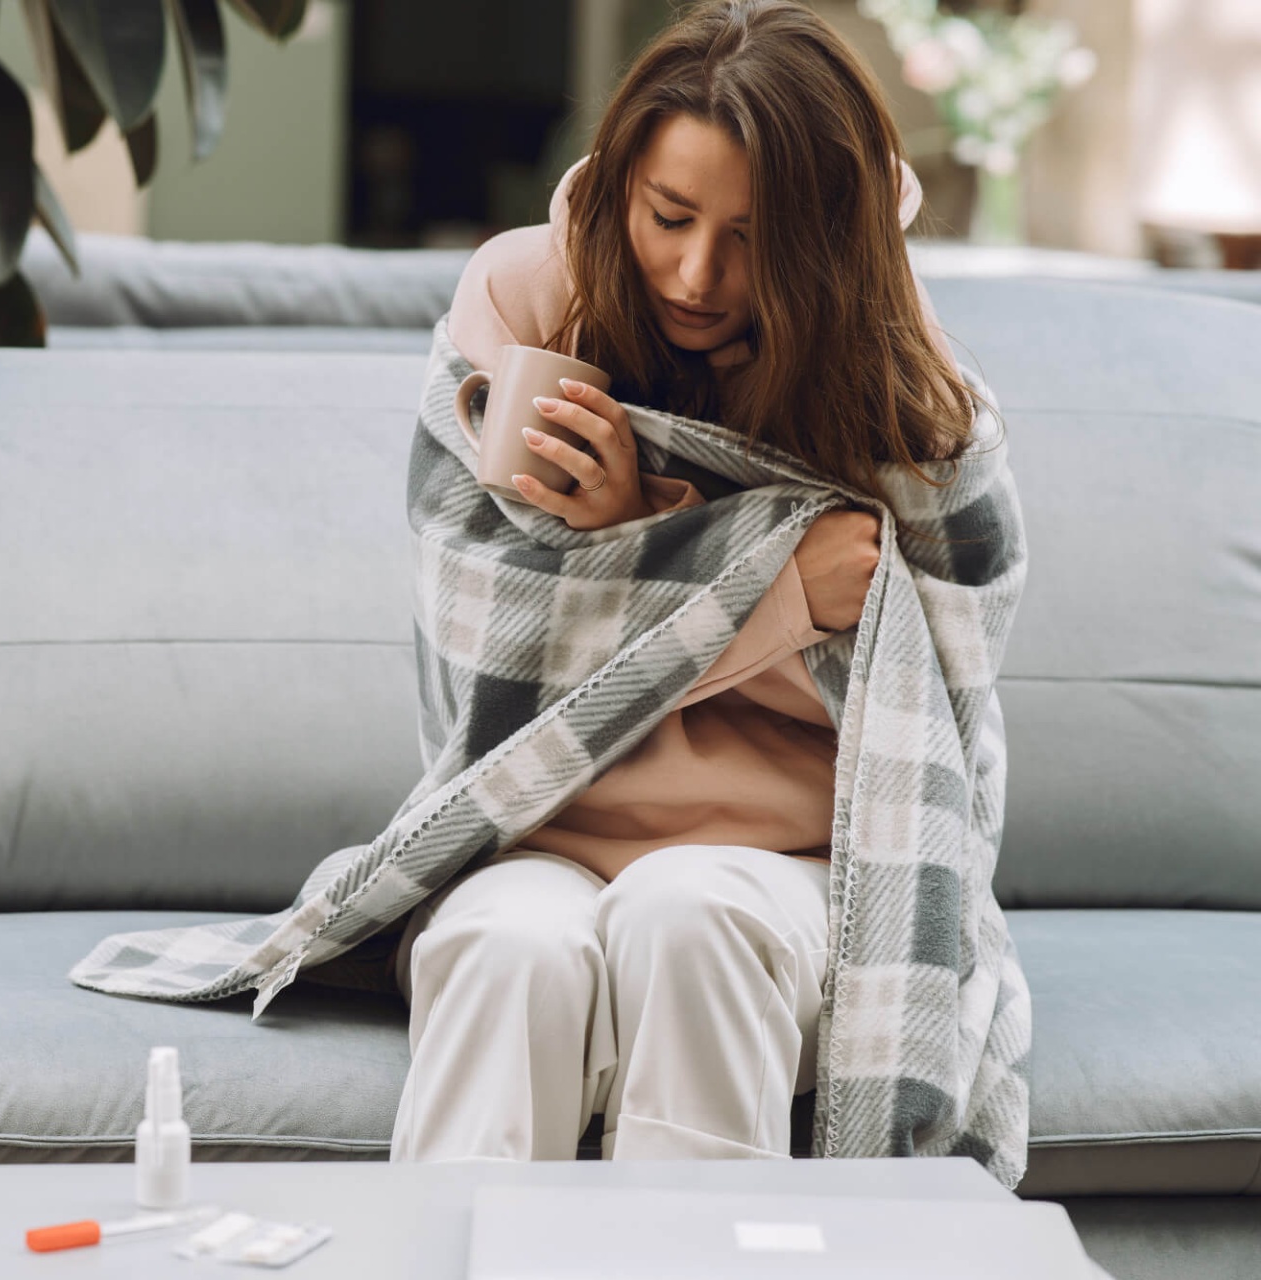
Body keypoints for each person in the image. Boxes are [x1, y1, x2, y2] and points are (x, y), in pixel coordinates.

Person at [388, 0, 987, 1164]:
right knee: (510, 952)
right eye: (668, 216)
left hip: (792, 862)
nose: (696, 273)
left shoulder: (898, 377)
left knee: (692, 913)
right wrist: (736, 572)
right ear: (618, 185)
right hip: (536, 827)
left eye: (755, 239)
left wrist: (628, 564)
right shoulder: (524, 302)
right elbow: (486, 646)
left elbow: (920, 700)